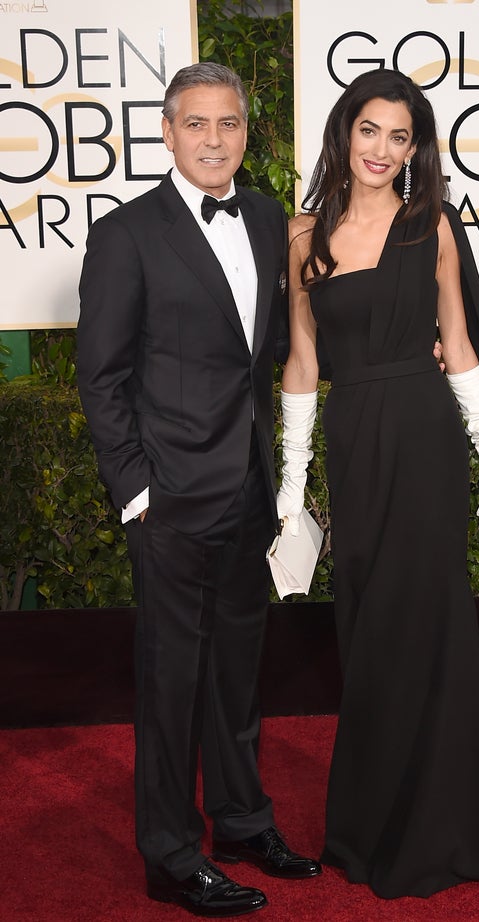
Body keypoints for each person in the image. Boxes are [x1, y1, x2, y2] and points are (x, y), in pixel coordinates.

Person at [77, 62, 321, 918]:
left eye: (228, 125)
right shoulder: (126, 234)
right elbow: (100, 377)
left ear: (245, 133)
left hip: (248, 490)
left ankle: (243, 821)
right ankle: (172, 856)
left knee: (236, 676)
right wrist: (136, 492)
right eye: (196, 125)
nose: (214, 140)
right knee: (171, 683)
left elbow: (289, 341)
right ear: (168, 132)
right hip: (170, 500)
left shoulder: (264, 217)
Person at [277, 67, 479, 899]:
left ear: (415, 147)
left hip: (422, 441)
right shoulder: (302, 235)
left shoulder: (434, 226)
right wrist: (290, 481)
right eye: (369, 130)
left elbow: (457, 346)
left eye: (400, 135)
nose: (383, 149)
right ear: (345, 134)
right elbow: (304, 363)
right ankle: (371, 823)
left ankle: (444, 829)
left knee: (433, 622)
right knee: (368, 629)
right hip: (354, 446)